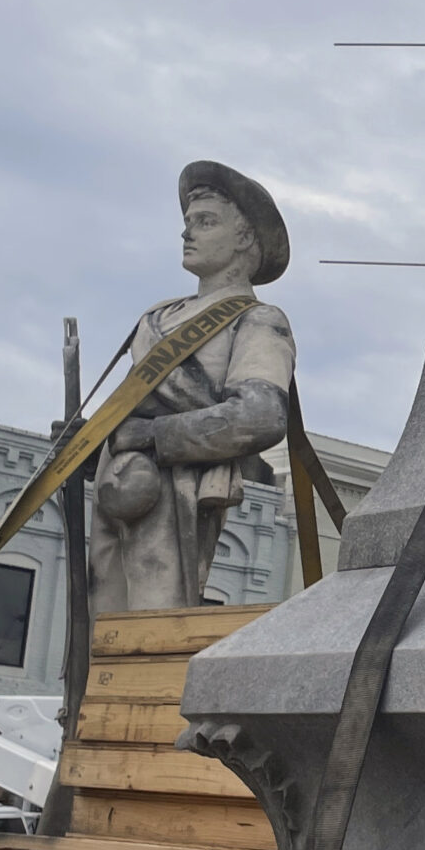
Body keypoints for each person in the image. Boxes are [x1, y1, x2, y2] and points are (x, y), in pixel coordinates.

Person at [88, 161, 296, 613]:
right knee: (99, 624)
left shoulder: (257, 321)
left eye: (205, 222)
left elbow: (261, 416)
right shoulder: (156, 318)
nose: (188, 233)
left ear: (244, 239)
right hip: (117, 485)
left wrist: (155, 437)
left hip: (176, 494)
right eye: (187, 223)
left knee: (151, 625)